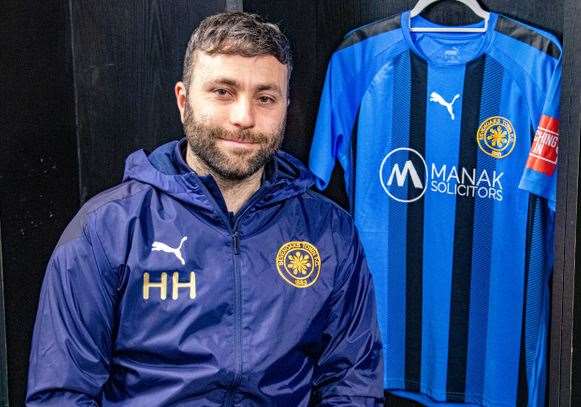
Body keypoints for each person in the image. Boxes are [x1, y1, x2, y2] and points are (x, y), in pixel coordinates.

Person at [26, 12, 383, 406]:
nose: (244, 118)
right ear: (183, 100)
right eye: (223, 92)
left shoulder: (330, 231)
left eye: (265, 98)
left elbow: (352, 383)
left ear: (285, 106)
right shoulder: (105, 230)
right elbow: (61, 393)